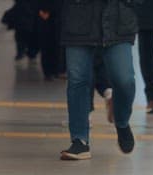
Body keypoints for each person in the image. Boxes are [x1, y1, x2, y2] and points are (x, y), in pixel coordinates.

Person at [59, 0, 139, 161]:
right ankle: (79, 140)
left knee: (125, 79)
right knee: (77, 79)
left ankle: (122, 122)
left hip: (118, 21)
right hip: (78, 17)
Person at [33, 0, 60, 80]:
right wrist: (41, 11)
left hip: (55, 20)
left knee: (54, 47)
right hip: (45, 20)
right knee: (46, 47)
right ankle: (49, 72)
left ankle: (54, 71)